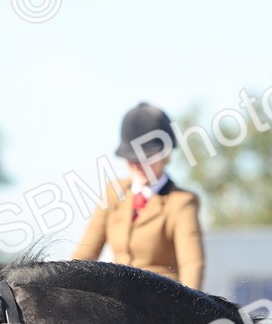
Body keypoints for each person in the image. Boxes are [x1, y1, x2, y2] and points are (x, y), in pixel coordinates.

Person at [73, 102, 205, 290]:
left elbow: (192, 264)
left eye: (146, 158)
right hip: (116, 294)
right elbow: (84, 255)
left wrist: (191, 305)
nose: (138, 165)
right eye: (132, 158)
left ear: (164, 155)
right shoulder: (113, 192)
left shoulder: (181, 202)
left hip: (160, 297)